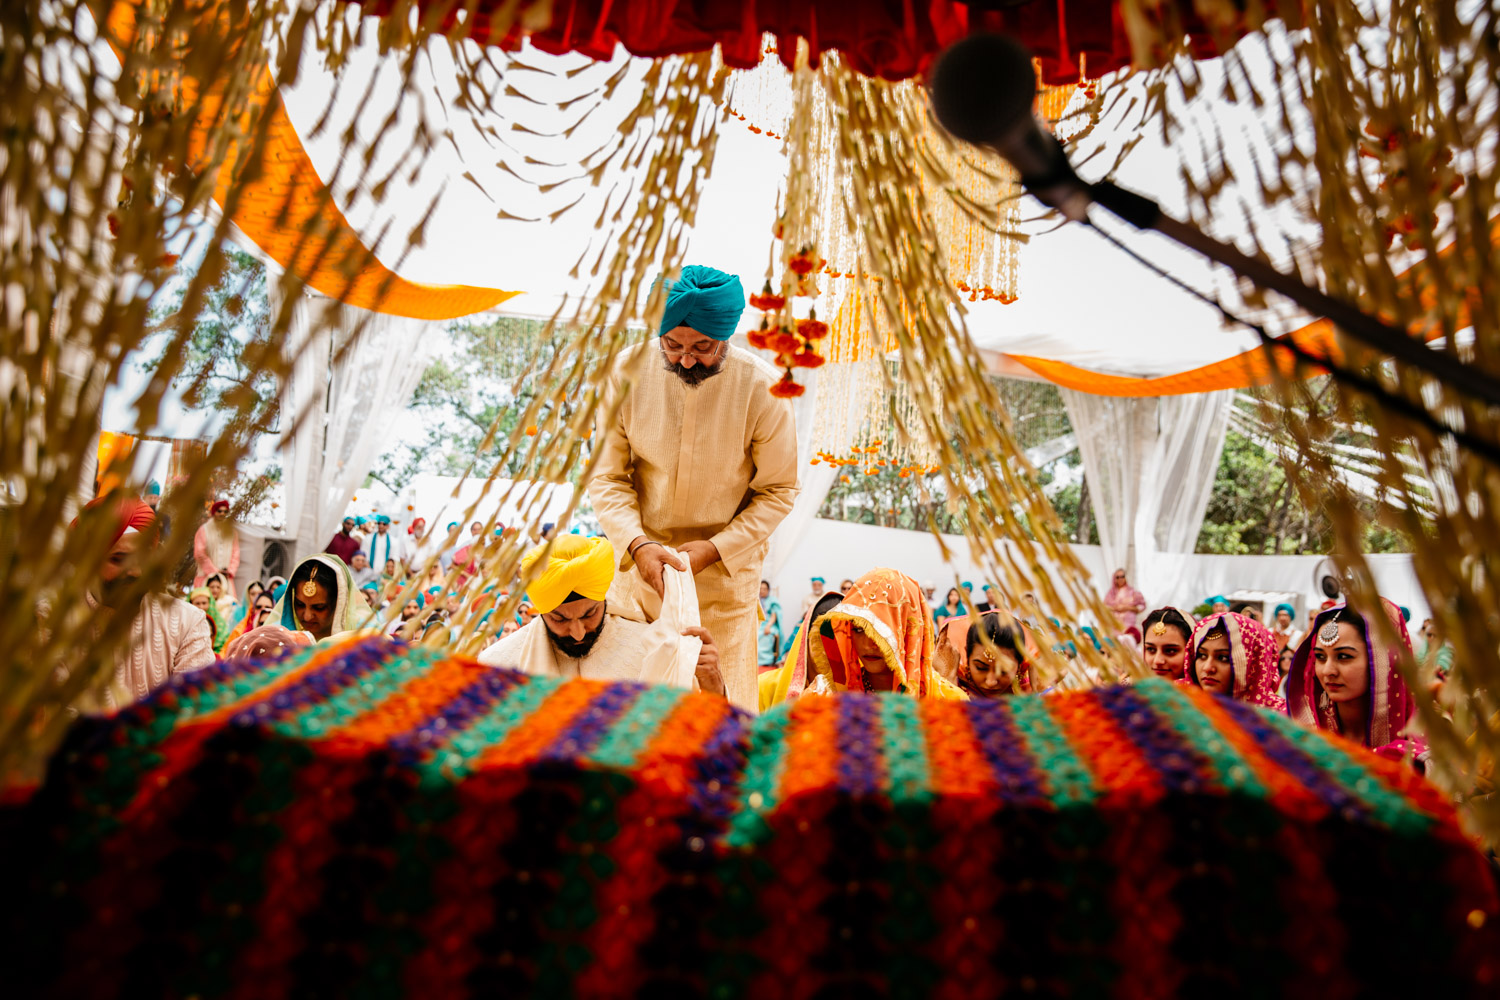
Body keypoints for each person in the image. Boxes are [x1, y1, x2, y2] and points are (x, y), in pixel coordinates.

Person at [588, 264, 799, 710]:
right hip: (640, 572)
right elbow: (607, 477)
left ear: (726, 335)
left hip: (722, 582)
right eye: (672, 345)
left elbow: (778, 491)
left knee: (719, 708)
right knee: (629, 708)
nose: (685, 359)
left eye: (702, 347)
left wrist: (715, 549)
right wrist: (639, 546)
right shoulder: (624, 373)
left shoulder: (765, 389)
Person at [479, 535, 723, 693]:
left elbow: (698, 736)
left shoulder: (651, 648)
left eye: (589, 615)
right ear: (541, 612)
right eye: (560, 619)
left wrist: (713, 687)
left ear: (603, 600)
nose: (577, 633)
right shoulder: (498, 665)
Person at [73, 495, 213, 707]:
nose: (136, 572)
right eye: (119, 559)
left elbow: (193, 713)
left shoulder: (186, 622)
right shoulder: (49, 623)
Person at [1286, 599, 1428, 766]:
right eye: (1320, 657)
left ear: (1382, 661)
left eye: (1344, 656)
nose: (1327, 671)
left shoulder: (1420, 754)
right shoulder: (1293, 732)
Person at [807, 568, 966, 699]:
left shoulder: (947, 700)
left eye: (883, 631)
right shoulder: (826, 695)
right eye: (859, 629)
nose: (869, 644)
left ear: (909, 632)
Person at [1183, 611, 1286, 711]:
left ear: (1254, 664)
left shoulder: (1283, 718)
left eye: (1223, 658)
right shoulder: (1179, 704)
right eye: (1202, 655)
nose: (1207, 668)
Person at [759, 590, 843, 711]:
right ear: (806, 639)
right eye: (822, 638)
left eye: (841, 638)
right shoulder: (765, 685)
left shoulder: (858, 692)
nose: (830, 648)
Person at [271, 554, 371, 643]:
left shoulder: (363, 639)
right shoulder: (275, 636)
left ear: (339, 603)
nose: (307, 616)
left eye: (319, 607)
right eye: (300, 604)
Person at [957, 612, 1034, 698]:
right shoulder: (949, 687)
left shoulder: (1031, 694)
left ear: (1019, 665)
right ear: (967, 656)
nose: (991, 682)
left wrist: (1040, 691)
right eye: (980, 668)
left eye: (1003, 670)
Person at [192, 498, 240, 598]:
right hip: (206, 576)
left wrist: (230, 571)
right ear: (214, 512)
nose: (222, 514)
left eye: (225, 511)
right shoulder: (204, 530)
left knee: (228, 606)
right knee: (202, 602)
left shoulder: (232, 532)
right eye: (219, 511)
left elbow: (236, 553)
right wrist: (215, 571)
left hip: (226, 578)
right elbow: (199, 553)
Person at [1140, 607, 1193, 681]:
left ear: (1191, 652)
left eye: (1170, 651)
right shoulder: (1128, 690)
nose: (1157, 661)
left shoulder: (1206, 691)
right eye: (1151, 649)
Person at [758, 580, 783, 670]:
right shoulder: (755, 600)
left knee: (765, 634)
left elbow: (774, 615)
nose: (762, 591)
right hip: (758, 624)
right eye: (760, 588)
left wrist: (768, 626)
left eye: (764, 589)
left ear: (768, 590)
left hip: (769, 623)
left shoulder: (772, 600)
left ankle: (766, 660)